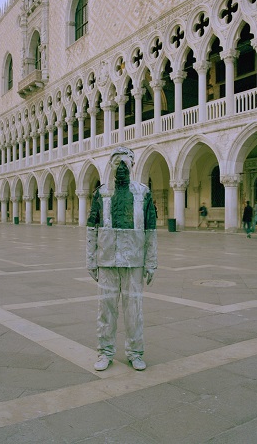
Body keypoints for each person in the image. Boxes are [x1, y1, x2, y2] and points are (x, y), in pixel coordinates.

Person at [86, 146, 157, 371]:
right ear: (111, 166)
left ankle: (135, 352)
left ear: (132, 166)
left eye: (126, 164)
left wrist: (151, 262)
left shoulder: (143, 193)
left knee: (134, 309)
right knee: (106, 309)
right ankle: (105, 351)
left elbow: (150, 231)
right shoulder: (101, 193)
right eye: (117, 164)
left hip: (133, 261)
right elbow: (91, 229)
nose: (122, 169)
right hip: (107, 260)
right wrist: (91, 261)